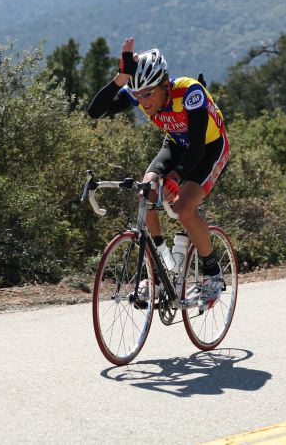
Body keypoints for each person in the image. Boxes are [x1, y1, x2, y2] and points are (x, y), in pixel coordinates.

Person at [87, 37, 230, 303]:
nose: (144, 101)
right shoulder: (138, 92)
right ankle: (158, 269)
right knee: (146, 192)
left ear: (165, 85)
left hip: (209, 147)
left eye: (149, 94)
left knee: (183, 210)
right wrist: (121, 78)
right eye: (137, 96)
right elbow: (94, 112)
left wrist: (176, 177)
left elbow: (197, 146)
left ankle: (212, 273)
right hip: (175, 144)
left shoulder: (190, 92)